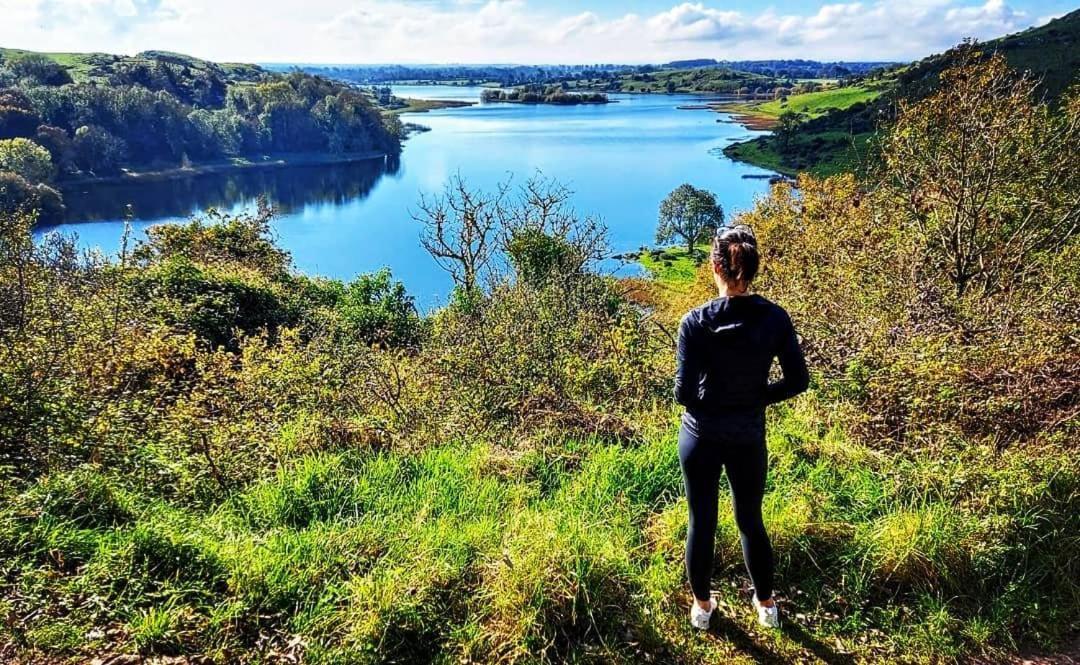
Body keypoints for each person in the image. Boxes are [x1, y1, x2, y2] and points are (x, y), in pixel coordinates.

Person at [674, 225, 809, 630]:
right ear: (752, 268)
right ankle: (766, 605)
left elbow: (683, 393)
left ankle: (702, 607)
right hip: (747, 435)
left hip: (700, 435)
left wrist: (715, 401)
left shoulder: (695, 322)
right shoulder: (774, 318)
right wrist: (753, 398)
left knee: (701, 521)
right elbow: (797, 380)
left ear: (715, 266)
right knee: (750, 520)